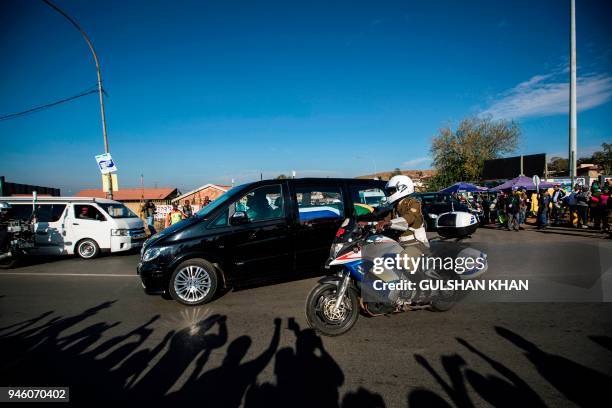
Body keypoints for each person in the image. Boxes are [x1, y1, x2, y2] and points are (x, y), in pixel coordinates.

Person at [376, 175, 428, 275]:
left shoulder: (413, 203)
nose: (390, 193)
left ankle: (423, 286)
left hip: (417, 244)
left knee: (404, 261)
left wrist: (389, 222)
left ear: (403, 188)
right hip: (400, 244)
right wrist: (370, 223)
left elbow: (410, 217)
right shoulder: (395, 206)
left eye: (392, 190)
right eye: (390, 191)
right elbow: (385, 219)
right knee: (383, 258)